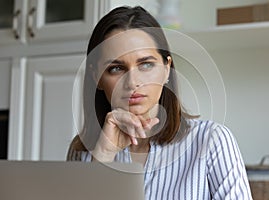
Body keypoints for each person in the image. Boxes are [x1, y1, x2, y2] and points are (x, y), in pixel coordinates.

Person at [67, 6, 253, 200]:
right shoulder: (82, 151)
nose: (132, 82)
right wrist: (103, 155)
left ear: (166, 69)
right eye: (116, 68)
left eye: (146, 65)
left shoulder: (211, 141)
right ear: (97, 76)